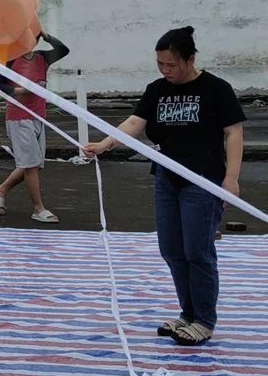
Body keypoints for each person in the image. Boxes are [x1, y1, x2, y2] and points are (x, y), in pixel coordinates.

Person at [83, 27, 245, 346]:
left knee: (197, 250)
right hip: (166, 179)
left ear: (190, 58)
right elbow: (135, 123)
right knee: (171, 249)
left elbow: (234, 132)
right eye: (160, 64)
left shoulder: (215, 89)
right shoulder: (157, 89)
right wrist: (106, 143)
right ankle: (188, 313)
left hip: (203, 180)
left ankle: (204, 320)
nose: (165, 70)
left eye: (171, 64)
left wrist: (231, 179)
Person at [0, 31, 70, 223]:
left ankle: (0, 190)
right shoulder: (10, 60)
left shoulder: (43, 57)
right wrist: (21, 91)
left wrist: (46, 34)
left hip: (38, 116)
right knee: (31, 165)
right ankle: (38, 209)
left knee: (33, 163)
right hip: (19, 117)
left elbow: (64, 50)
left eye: (32, 37)